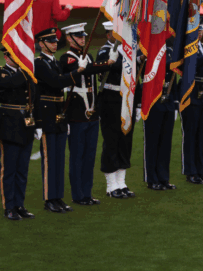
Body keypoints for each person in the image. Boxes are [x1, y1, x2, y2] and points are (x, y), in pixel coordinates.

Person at [60, 23, 116, 206]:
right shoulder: (67, 58)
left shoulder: (88, 56)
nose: (83, 39)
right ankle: (78, 195)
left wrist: (104, 64)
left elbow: (92, 69)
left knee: (90, 156)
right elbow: (88, 69)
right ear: (69, 38)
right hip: (76, 114)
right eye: (78, 36)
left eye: (83, 36)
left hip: (92, 114)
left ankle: (87, 193)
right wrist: (105, 64)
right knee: (77, 156)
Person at [34, 27, 86, 213]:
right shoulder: (39, 64)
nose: (55, 44)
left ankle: (58, 198)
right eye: (51, 41)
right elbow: (55, 82)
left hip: (59, 115)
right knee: (49, 160)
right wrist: (77, 73)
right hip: (47, 115)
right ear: (42, 44)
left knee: (59, 159)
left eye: (56, 41)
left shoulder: (54, 62)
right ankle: (49, 199)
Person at [97, 22, 143, 198]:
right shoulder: (105, 50)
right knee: (111, 140)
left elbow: (135, 79)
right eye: (113, 33)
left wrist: (137, 105)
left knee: (125, 141)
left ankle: (122, 182)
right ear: (108, 35)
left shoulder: (129, 52)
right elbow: (109, 66)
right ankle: (111, 185)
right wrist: (132, 60)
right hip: (110, 100)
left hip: (127, 100)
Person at [0, 45, 37, 220]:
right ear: (7, 56)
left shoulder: (26, 73)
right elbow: (8, 84)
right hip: (10, 126)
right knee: (9, 170)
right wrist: (24, 71)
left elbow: (34, 96)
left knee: (22, 169)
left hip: (26, 125)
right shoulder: (4, 72)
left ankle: (19, 204)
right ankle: (9, 207)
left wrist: (36, 123)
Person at [180, 24, 203, 181]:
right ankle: (190, 171)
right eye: (197, 30)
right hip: (191, 94)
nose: (200, 33)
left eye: (201, 30)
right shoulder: (187, 49)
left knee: (202, 134)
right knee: (191, 133)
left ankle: (200, 170)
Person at [143, 41, 178, 189]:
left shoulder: (170, 51)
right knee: (153, 142)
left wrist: (175, 103)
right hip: (153, 101)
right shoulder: (147, 51)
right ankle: (152, 179)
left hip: (168, 101)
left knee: (165, 143)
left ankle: (163, 178)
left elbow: (173, 78)